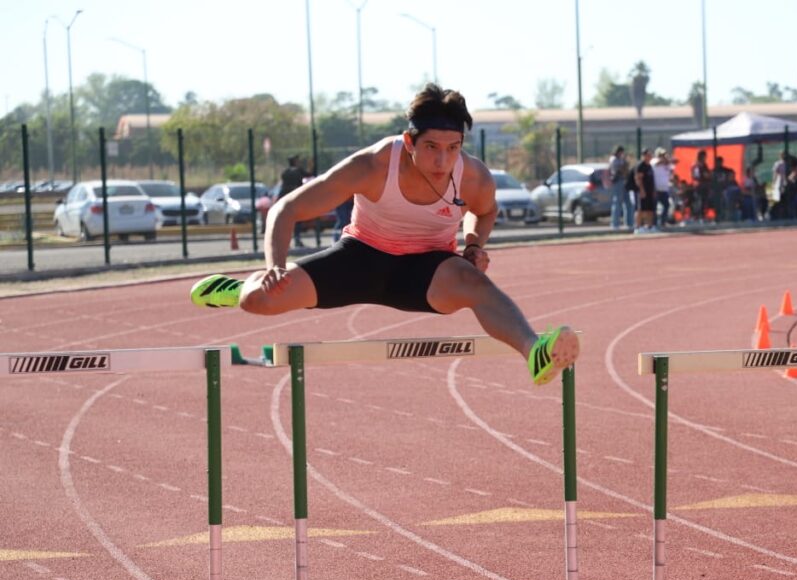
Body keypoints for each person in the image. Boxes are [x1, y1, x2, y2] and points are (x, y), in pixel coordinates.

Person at [188, 84, 579, 386]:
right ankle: (235, 289)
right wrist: (273, 266)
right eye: (430, 147)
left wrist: (474, 243)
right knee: (260, 300)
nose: (442, 161)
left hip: (428, 269)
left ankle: (535, 352)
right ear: (409, 142)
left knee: (473, 279)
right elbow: (285, 209)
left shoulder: (472, 175)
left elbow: (486, 210)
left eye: (452, 148)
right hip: (361, 258)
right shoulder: (373, 166)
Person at [281, 155, 313, 246]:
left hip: (285, 198)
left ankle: (285, 241)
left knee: (287, 220)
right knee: (297, 220)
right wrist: (311, 165)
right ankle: (297, 239)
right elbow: (309, 174)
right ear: (295, 162)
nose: (299, 162)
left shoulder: (285, 172)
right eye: (297, 160)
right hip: (295, 198)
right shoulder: (298, 170)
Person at [607, 145, 634, 230]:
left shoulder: (621, 159)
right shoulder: (614, 159)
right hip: (618, 181)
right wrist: (624, 164)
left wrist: (625, 162)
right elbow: (620, 169)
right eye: (621, 152)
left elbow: (627, 169)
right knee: (617, 202)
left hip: (624, 181)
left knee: (628, 203)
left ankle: (629, 223)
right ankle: (615, 224)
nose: (622, 154)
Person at [633, 148, 656, 234]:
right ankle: (638, 227)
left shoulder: (649, 166)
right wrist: (642, 190)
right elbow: (638, 179)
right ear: (644, 156)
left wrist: (653, 190)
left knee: (650, 209)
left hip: (650, 191)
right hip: (642, 191)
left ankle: (649, 226)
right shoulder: (640, 166)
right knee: (640, 210)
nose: (650, 157)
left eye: (650, 155)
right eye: (648, 155)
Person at [651, 148, 673, 228]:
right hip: (656, 189)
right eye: (661, 155)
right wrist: (665, 160)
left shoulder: (666, 164)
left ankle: (663, 222)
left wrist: (668, 161)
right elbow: (657, 163)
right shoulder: (654, 161)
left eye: (664, 155)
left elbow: (671, 168)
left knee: (666, 205)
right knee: (654, 207)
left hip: (664, 189)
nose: (663, 156)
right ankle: (654, 223)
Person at [690, 150, 711, 222]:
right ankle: (699, 216)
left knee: (701, 200)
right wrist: (708, 175)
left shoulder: (697, 164)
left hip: (700, 185)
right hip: (701, 185)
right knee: (701, 201)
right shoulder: (700, 165)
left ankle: (699, 216)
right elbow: (705, 175)